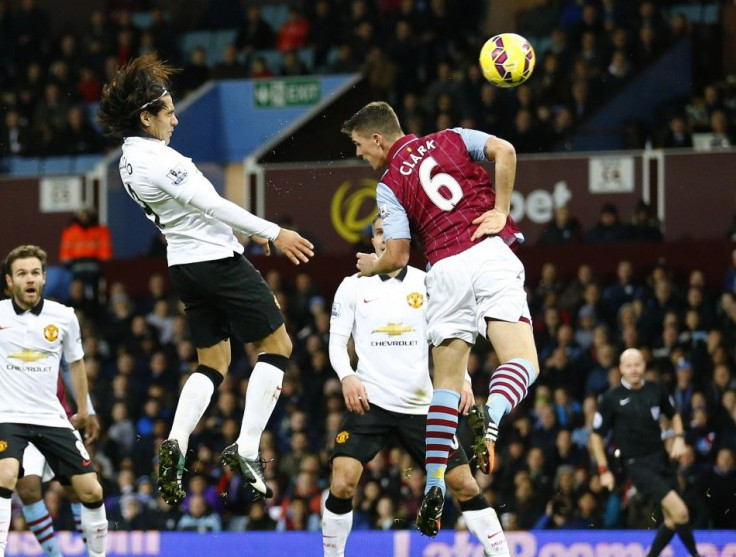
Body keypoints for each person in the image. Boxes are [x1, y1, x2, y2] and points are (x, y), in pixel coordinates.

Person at [97, 54, 314, 506]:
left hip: (184, 267)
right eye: (169, 112)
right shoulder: (160, 160)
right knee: (279, 347)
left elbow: (195, 211)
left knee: (213, 362)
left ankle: (176, 439)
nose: (175, 119)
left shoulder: (128, 162)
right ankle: (248, 446)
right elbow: (213, 205)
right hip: (216, 263)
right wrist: (272, 231)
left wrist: (236, 230)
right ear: (146, 117)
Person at [342, 101, 539, 536]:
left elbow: (396, 256)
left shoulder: (390, 184)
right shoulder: (451, 138)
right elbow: (505, 151)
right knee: (522, 361)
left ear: (378, 139)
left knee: (446, 385)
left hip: (445, 270)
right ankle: (495, 413)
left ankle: (433, 481)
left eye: (358, 145)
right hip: (486, 248)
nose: (359, 154)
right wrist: (502, 211)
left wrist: (369, 266)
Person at [322, 216, 509, 556]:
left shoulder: (428, 283)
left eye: (391, 233)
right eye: (379, 233)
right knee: (342, 479)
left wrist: (463, 381)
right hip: (371, 401)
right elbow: (336, 342)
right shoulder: (352, 285)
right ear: (373, 240)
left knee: (463, 484)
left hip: (423, 407)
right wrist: (347, 376)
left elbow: (449, 338)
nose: (384, 239)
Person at [0, 245, 108, 557]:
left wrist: (85, 411)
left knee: (91, 489)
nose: (29, 278)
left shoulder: (63, 317)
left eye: (35, 272)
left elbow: (75, 364)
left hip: (51, 417)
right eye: (22, 274)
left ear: (44, 278)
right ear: (10, 281)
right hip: (8, 415)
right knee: (8, 475)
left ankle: (97, 555)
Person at [589, 348, 701, 557]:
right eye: (628, 365)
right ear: (621, 368)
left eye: (637, 364)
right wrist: (604, 470)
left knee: (671, 519)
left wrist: (679, 439)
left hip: (662, 459)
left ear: (644, 366)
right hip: (637, 465)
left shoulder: (656, 390)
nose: (633, 369)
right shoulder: (611, 398)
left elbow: (674, 414)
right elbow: (596, 436)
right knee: (681, 512)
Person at [16, 357, 101, 557]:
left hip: (57, 418)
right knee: (28, 490)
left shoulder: (56, 325)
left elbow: (69, 365)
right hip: (16, 420)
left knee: (79, 490)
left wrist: (87, 410)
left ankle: (93, 553)